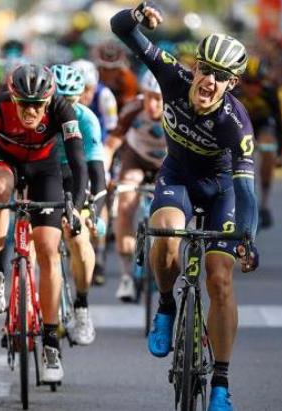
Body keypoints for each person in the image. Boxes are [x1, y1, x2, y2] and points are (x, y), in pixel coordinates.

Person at [111, 5, 259, 411]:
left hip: (222, 192)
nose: (208, 81)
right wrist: (137, 13)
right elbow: (121, 29)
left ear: (230, 84)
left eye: (220, 76)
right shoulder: (171, 76)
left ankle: (221, 385)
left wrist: (246, 237)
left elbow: (246, 193)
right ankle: (165, 304)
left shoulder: (236, 124)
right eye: (204, 69)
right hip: (177, 177)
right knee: (166, 234)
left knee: (219, 281)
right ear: (194, 67)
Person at [0, 64, 88, 382]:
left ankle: (50, 342)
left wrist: (74, 207)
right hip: (3, 161)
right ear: (13, 97)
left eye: (38, 104)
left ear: (49, 101)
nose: (31, 110)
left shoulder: (62, 108)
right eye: (24, 103)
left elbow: (77, 161)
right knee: (0, 187)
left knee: (48, 249)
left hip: (44, 169)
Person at [51, 64, 107, 345]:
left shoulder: (87, 119)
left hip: (76, 182)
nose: (66, 107)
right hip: (45, 179)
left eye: (71, 100)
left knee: (80, 240)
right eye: (59, 100)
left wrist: (93, 211)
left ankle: (82, 306)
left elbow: (96, 173)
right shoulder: (36, 115)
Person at [111, 71, 167, 302]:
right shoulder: (133, 109)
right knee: (125, 205)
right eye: (147, 97)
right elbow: (110, 143)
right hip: (136, 158)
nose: (151, 104)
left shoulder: (179, 111)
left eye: (157, 98)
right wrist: (104, 172)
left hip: (167, 163)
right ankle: (126, 276)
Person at [70, 59, 118, 286]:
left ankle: (98, 251)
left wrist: (104, 161)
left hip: (98, 145)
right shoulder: (67, 100)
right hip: (74, 149)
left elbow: (112, 132)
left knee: (103, 181)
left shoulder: (105, 96)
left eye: (90, 89)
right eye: (82, 90)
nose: (86, 95)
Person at [236, 56, 282, 229]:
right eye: (248, 82)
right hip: (241, 126)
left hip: (262, 127)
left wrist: (280, 153)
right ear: (241, 81)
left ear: (262, 82)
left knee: (268, 146)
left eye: (256, 82)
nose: (252, 87)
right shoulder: (234, 92)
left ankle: (264, 204)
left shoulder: (269, 93)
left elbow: (279, 124)